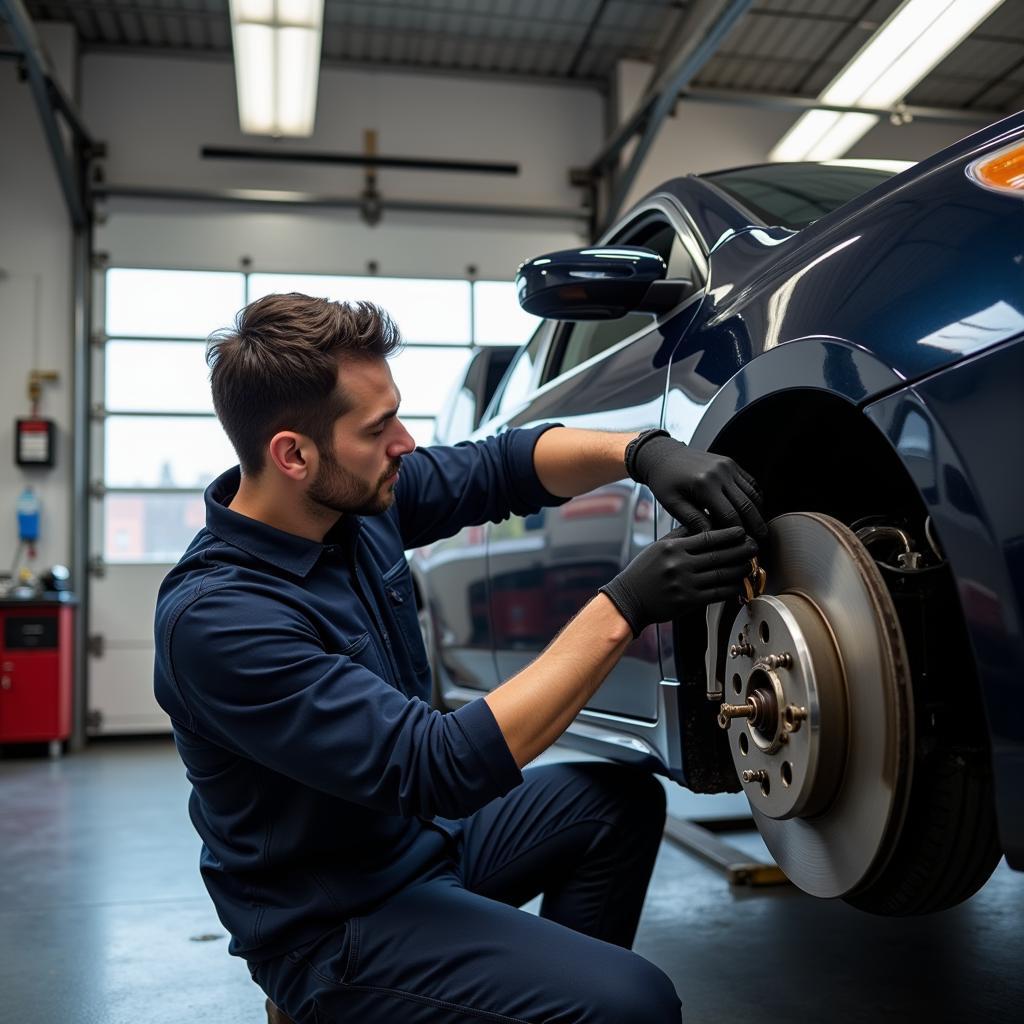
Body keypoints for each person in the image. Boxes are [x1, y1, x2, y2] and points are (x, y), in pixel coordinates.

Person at [154, 293, 766, 1024]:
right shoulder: (221, 620)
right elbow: (437, 765)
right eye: (378, 429)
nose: (405, 443)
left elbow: (503, 466)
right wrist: (625, 604)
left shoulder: (350, 505)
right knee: (635, 1004)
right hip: (336, 921)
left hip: (420, 847)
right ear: (293, 454)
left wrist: (642, 452)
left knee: (617, 805)